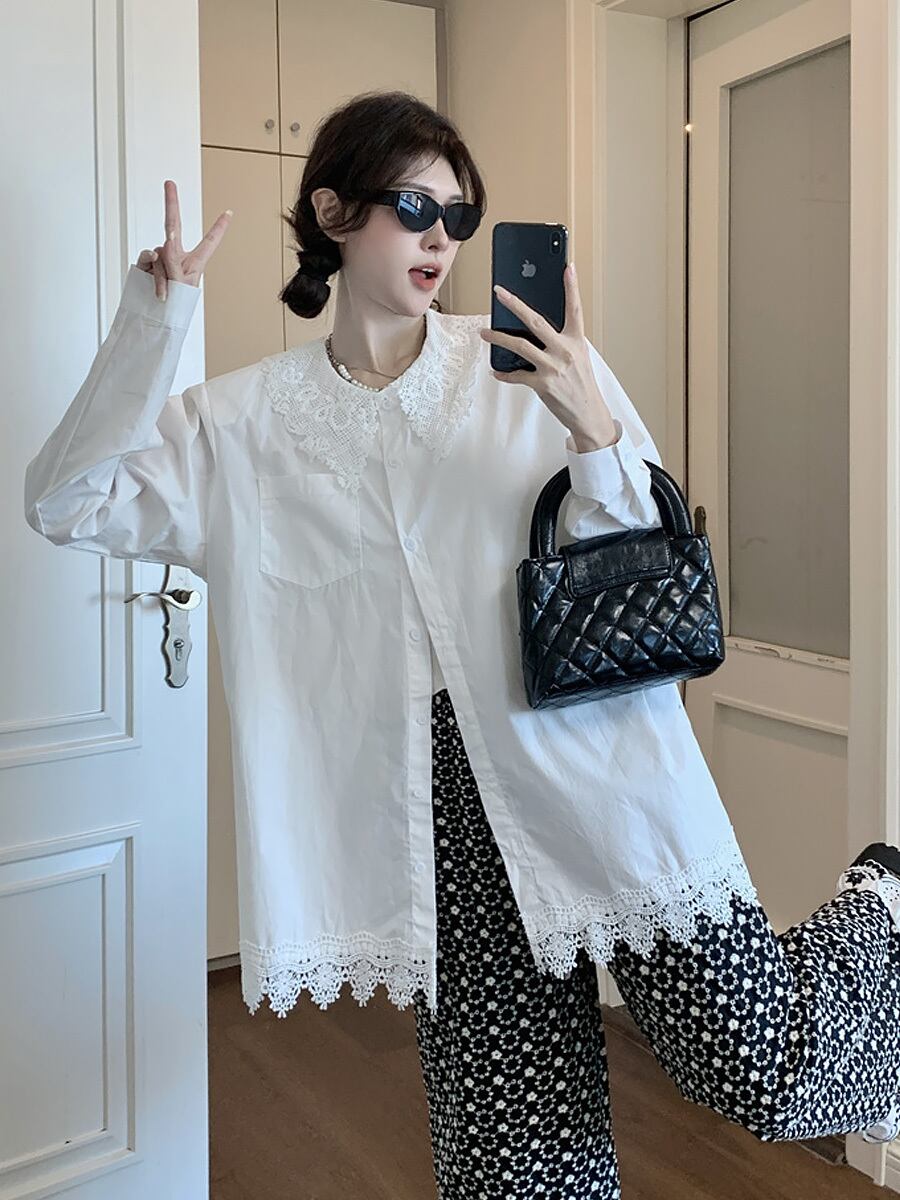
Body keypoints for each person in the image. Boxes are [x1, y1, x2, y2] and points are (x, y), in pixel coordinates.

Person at [22, 89, 900, 1197]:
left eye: (459, 216)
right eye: (413, 207)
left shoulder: (528, 367)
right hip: (429, 815)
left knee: (762, 1064)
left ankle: (880, 908)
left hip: (593, 768)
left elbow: (643, 552)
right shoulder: (235, 427)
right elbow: (66, 502)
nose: (440, 237)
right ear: (333, 213)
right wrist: (152, 328)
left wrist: (596, 430)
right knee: (512, 1162)